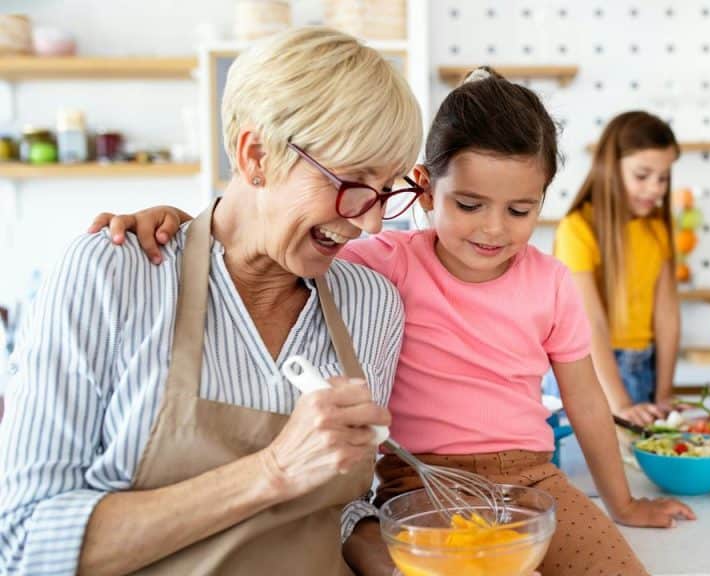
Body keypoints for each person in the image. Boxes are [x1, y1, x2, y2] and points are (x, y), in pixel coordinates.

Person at [89, 67, 695, 576]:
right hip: (413, 486)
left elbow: (585, 400)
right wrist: (177, 220)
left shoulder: (552, 280)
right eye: (469, 204)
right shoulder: (382, 262)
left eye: (520, 210)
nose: (493, 229)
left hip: (531, 480)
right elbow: (270, 235)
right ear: (426, 191)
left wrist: (623, 502)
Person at [0, 27, 422, 575]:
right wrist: (271, 471)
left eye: (388, 189)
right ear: (256, 155)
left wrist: (411, 567)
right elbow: (24, 543)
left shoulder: (372, 304)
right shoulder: (114, 276)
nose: (368, 221)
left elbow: (339, 511)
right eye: (354, 182)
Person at [544, 111, 681, 427]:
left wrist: (663, 397)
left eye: (663, 177)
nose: (655, 188)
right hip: (590, 373)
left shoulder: (657, 230)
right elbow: (590, 323)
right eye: (642, 175)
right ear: (610, 167)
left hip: (643, 370)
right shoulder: (578, 229)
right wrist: (619, 402)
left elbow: (668, 318)